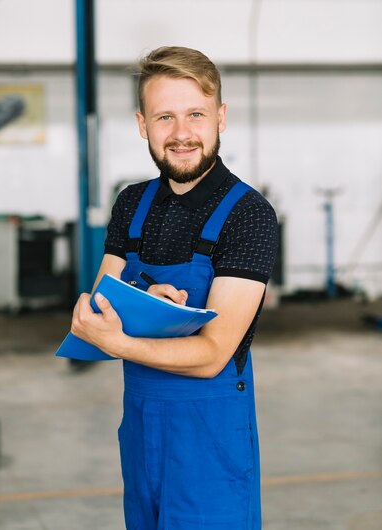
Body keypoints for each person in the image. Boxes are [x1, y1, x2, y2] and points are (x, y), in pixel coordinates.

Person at [71, 46, 278, 529]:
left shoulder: (248, 216)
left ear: (220, 117)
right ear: (143, 124)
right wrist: (142, 305)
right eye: (165, 117)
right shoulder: (130, 204)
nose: (182, 133)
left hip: (210, 438)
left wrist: (120, 336)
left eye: (196, 115)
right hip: (142, 430)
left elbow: (211, 355)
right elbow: (92, 315)